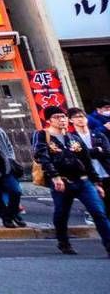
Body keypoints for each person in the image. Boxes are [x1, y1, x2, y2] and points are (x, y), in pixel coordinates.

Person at [36, 106, 110, 256]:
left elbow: (86, 161)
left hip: (83, 181)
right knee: (61, 214)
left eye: (63, 117)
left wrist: (96, 182)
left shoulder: (73, 138)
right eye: (57, 117)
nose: (61, 120)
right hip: (62, 182)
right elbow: (42, 157)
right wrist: (55, 177)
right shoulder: (44, 136)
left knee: (98, 212)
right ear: (49, 120)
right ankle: (63, 242)